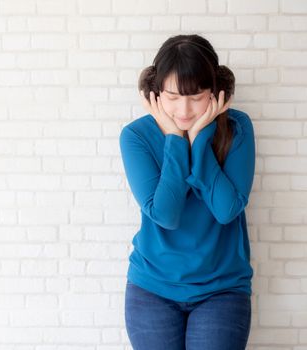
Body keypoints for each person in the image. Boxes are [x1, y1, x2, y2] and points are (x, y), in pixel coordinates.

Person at [119, 34, 255, 349]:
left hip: (222, 289)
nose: (184, 109)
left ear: (216, 92)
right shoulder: (136, 136)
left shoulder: (237, 128)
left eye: (196, 97)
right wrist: (175, 141)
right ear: (154, 93)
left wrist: (199, 139)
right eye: (173, 97)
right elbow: (166, 214)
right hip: (152, 289)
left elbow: (226, 210)